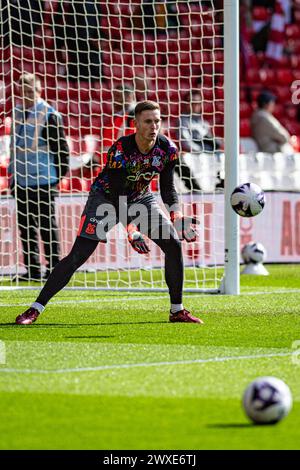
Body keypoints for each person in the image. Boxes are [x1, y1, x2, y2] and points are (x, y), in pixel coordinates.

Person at [15, 101, 203, 325]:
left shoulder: (167, 149)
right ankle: (35, 309)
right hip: (105, 199)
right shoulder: (120, 149)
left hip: (141, 198)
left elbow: (168, 189)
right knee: (78, 255)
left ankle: (177, 310)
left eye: (157, 121)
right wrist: (131, 228)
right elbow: (117, 193)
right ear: (135, 124)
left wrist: (176, 215)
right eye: (148, 121)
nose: (154, 126)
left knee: (173, 243)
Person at [9, 73, 69, 281]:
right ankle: (33, 270)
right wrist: (12, 176)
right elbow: (13, 147)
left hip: (44, 179)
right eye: (23, 91)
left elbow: (61, 149)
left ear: (38, 91)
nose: (26, 95)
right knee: (26, 227)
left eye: (30, 91)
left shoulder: (50, 115)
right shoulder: (16, 113)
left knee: (46, 225)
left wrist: (57, 178)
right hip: (22, 179)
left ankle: (54, 269)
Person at [177, 90, 222, 191]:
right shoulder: (182, 121)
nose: (195, 105)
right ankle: (196, 188)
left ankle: (220, 185)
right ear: (186, 104)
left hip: (209, 153)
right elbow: (185, 142)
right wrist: (202, 151)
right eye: (192, 102)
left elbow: (212, 140)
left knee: (222, 156)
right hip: (195, 154)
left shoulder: (204, 122)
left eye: (198, 103)